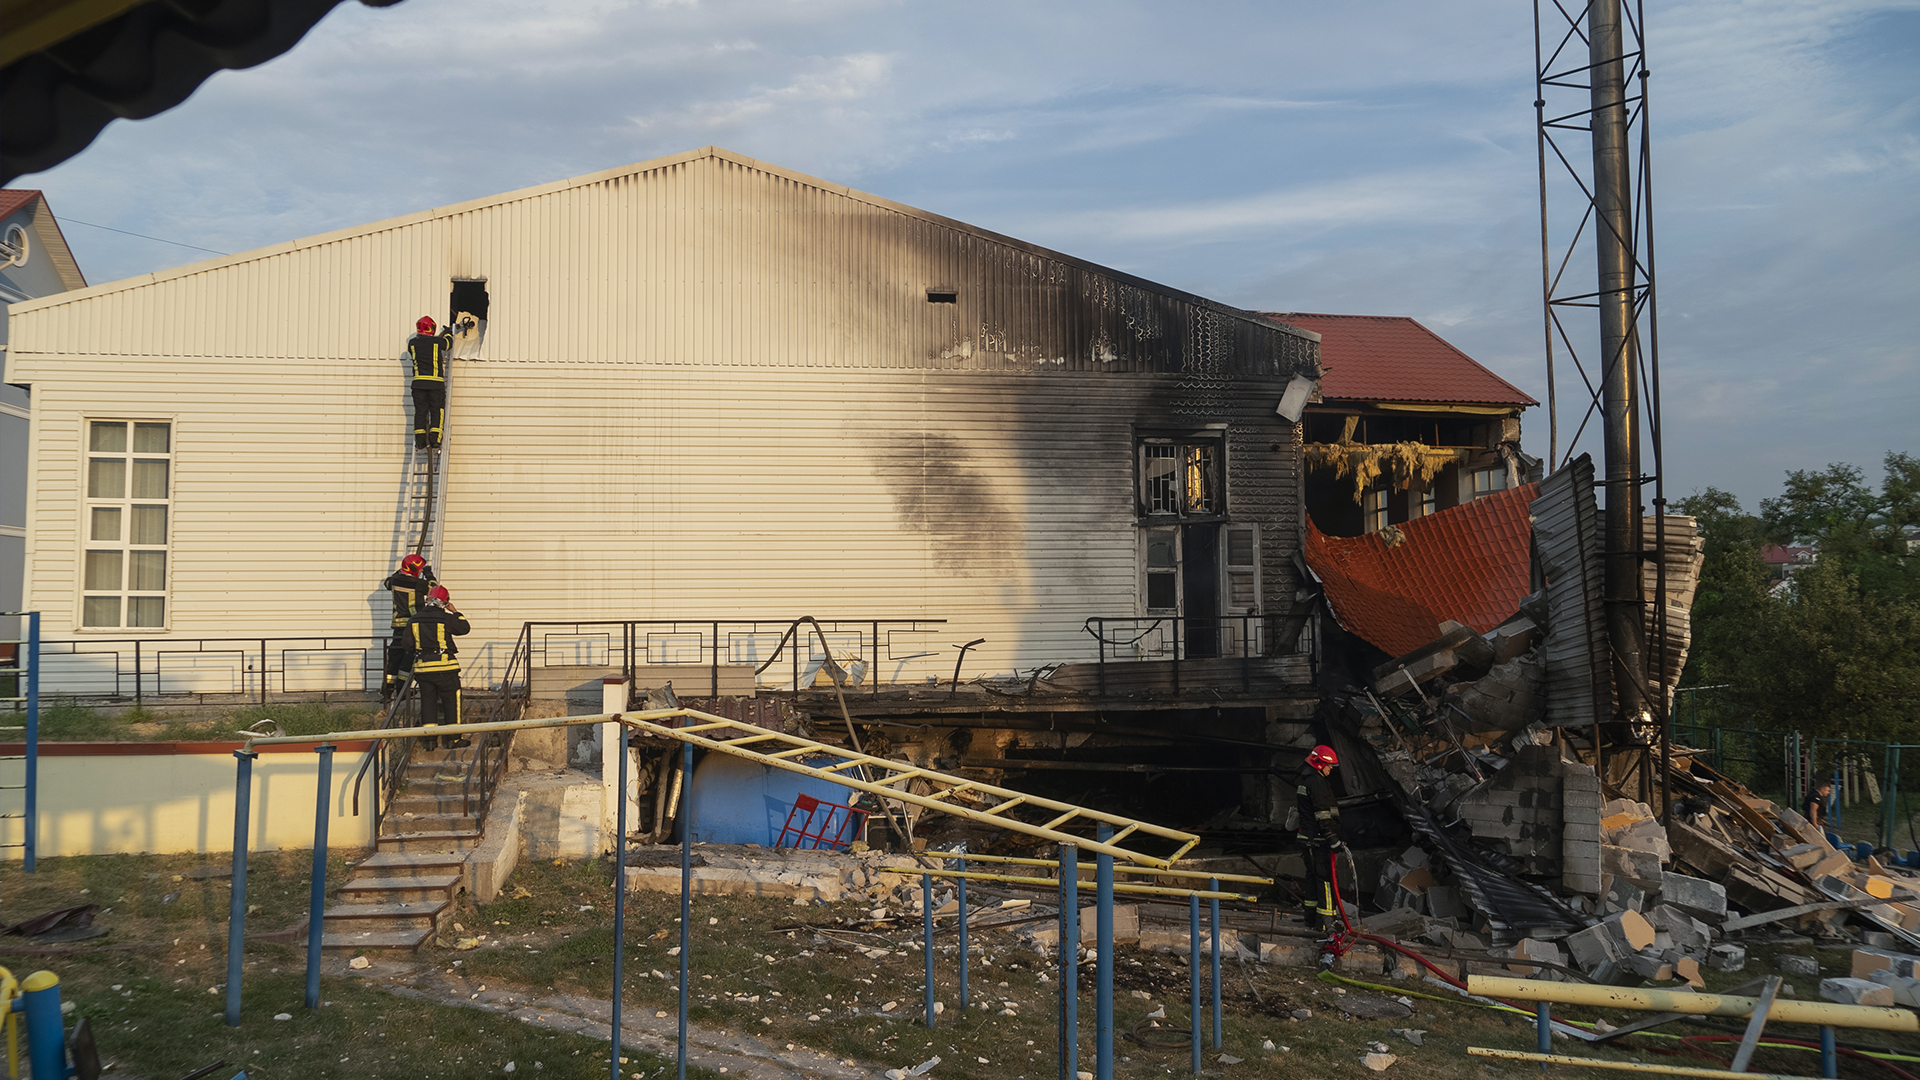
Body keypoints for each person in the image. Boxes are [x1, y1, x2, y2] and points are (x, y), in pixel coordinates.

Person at [408, 584, 470, 749]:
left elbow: (406, 644)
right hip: (445, 669)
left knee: (428, 702)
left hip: (423, 670)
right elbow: (464, 628)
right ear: (445, 602)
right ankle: (453, 739)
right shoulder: (446, 618)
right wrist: (456, 612)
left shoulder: (414, 619)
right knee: (452, 701)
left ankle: (430, 741)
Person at [1295, 743, 1347, 933]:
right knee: (1325, 879)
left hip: (1307, 838)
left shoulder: (1304, 779)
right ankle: (1327, 920)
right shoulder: (1317, 782)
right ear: (1319, 764)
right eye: (1329, 765)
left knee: (1311, 878)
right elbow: (1323, 813)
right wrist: (1332, 837)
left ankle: (1310, 918)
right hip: (1318, 839)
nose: (1331, 769)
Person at [379, 553, 436, 704]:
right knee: (408, 657)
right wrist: (429, 574)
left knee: (394, 657)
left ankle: (387, 691)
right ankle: (402, 690)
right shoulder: (417, 583)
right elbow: (434, 590)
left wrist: (401, 570)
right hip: (412, 625)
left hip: (398, 625)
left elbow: (387, 582)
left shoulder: (393, 581)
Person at [407, 315, 453, 449]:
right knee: (437, 411)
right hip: (435, 384)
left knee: (420, 411)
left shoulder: (412, 343)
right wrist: (448, 333)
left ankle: (420, 441)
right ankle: (435, 440)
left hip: (418, 384)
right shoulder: (437, 342)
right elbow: (448, 344)